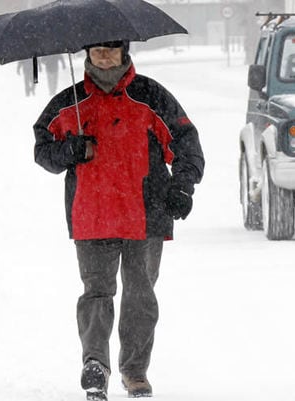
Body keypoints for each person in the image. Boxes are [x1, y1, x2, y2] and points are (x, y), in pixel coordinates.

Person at [33, 40, 204, 401]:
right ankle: (95, 366)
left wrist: (182, 186)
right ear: (86, 53)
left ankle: (134, 370)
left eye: (111, 48)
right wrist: (72, 149)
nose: (105, 55)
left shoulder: (151, 96)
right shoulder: (70, 103)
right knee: (97, 294)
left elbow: (185, 142)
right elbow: (43, 150)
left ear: (125, 51)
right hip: (91, 215)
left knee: (140, 296)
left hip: (147, 213)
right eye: (97, 49)